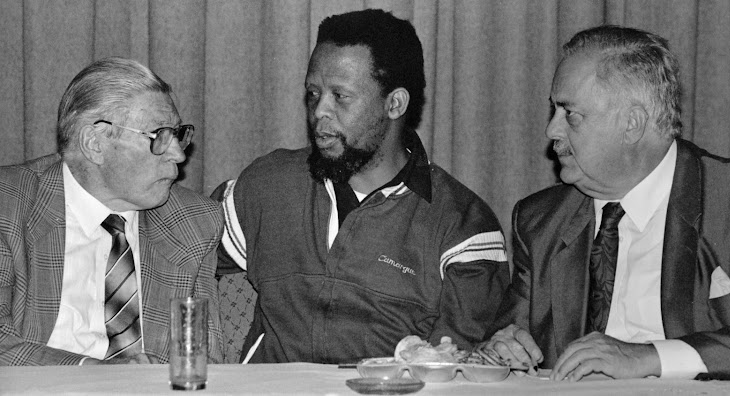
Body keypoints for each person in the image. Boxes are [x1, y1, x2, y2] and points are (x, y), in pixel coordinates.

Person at [214, 9, 508, 363]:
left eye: (340, 96)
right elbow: (172, 245)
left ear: (394, 103)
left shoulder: (461, 225)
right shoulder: (269, 185)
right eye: (313, 93)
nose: (320, 110)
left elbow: (457, 369)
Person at [479, 25, 730, 381]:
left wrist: (649, 357)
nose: (552, 131)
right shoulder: (540, 221)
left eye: (569, 113)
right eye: (554, 111)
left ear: (632, 124)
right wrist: (501, 349)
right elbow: (509, 340)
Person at [0, 57, 224, 365]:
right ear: (94, 143)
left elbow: (201, 360)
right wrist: (95, 376)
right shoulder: (9, 206)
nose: (177, 154)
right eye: (159, 136)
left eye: (177, 134)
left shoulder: (195, 221)